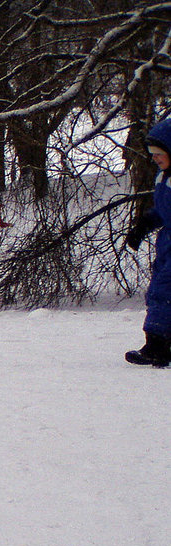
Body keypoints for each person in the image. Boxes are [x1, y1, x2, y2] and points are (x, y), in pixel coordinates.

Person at [124, 118, 171, 368]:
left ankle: (157, 347)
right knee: (159, 291)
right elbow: (163, 211)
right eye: (151, 154)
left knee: (164, 293)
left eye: (159, 153)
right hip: (166, 245)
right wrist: (142, 226)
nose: (154, 158)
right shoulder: (163, 177)